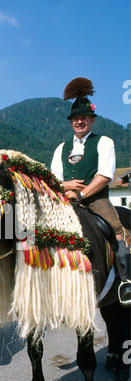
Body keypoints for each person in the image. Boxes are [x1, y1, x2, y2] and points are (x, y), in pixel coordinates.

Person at [51, 77, 131, 306]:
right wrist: (67, 187)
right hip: (66, 202)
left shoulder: (104, 142)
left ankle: (126, 282)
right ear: (70, 122)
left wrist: (83, 194)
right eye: (75, 118)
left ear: (92, 120)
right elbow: (53, 179)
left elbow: (105, 175)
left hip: (96, 200)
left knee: (117, 230)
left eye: (83, 117)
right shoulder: (61, 148)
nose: (79, 121)